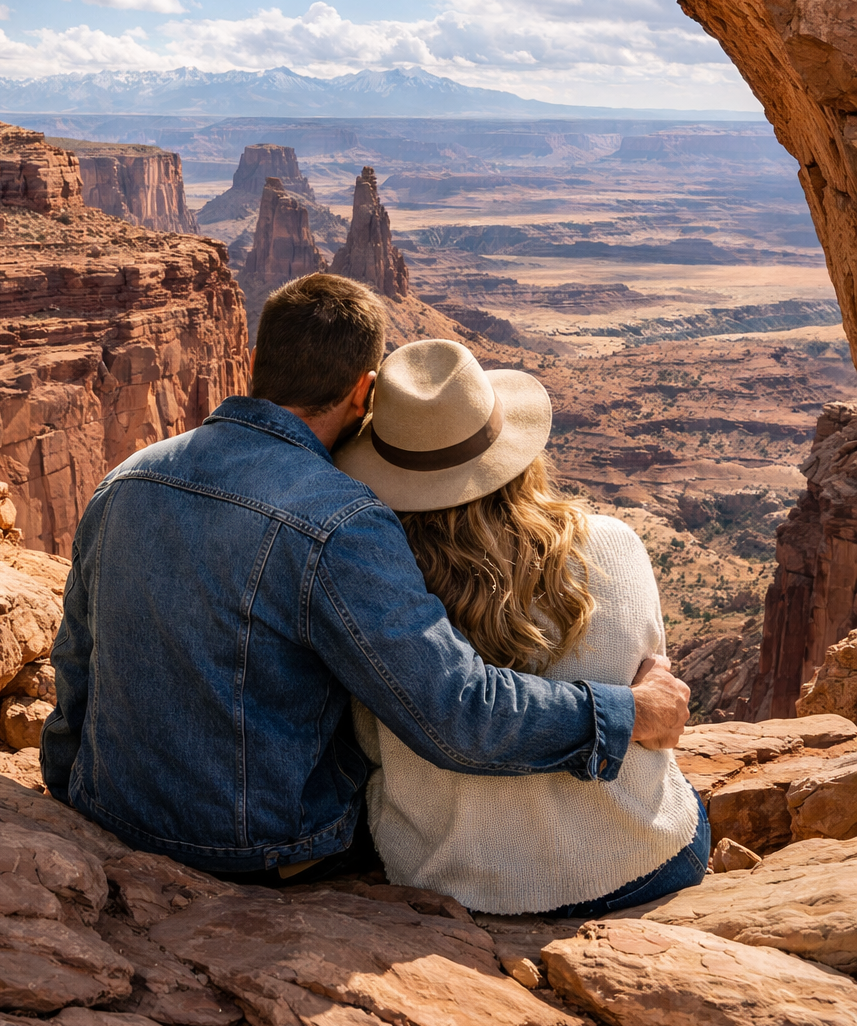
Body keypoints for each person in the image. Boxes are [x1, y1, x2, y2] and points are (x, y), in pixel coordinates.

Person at [41, 273, 690, 883]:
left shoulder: (124, 479)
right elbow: (455, 715)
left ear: (254, 360)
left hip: (109, 813)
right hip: (260, 850)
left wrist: (71, 797)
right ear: (364, 392)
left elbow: (76, 659)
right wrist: (625, 712)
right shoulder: (339, 521)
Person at [337, 337, 709, 915]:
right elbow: (656, 700)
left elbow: (368, 743)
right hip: (640, 862)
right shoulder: (616, 543)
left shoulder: (380, 592)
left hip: (453, 882)